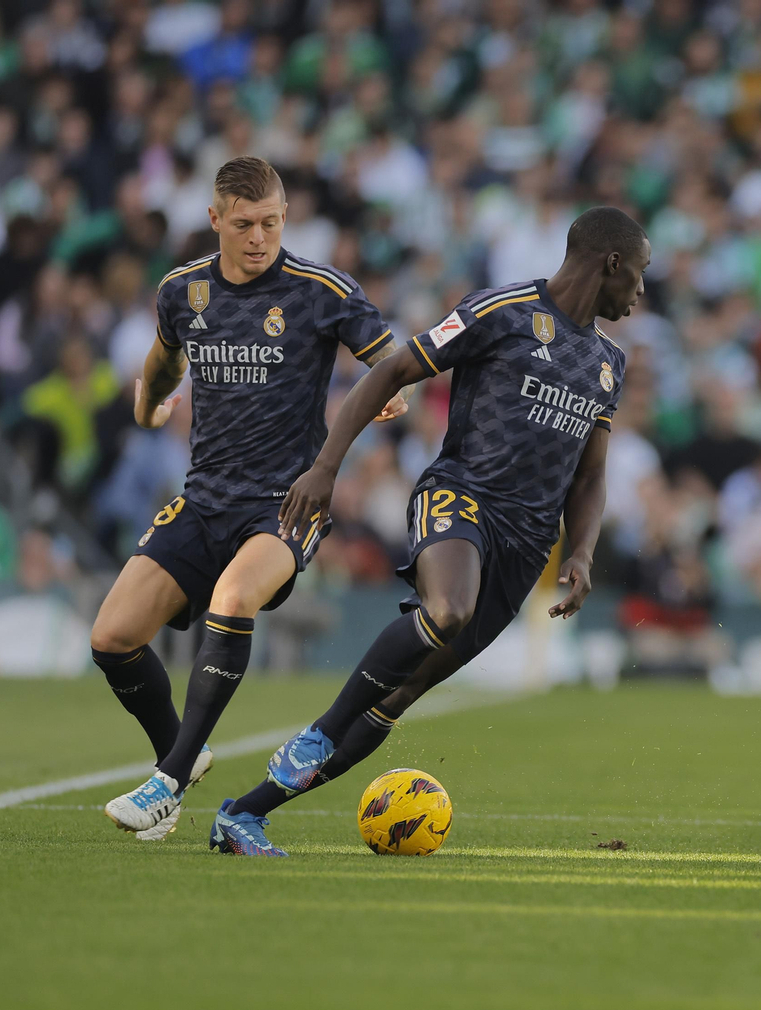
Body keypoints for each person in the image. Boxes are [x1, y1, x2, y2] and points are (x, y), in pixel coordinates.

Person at [209, 206, 646, 856]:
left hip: (526, 548)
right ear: (611, 262)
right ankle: (320, 733)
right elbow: (391, 371)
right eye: (638, 276)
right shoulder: (502, 309)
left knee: (402, 693)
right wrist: (326, 466)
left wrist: (579, 551)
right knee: (447, 608)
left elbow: (590, 477)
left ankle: (245, 813)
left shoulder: (608, 362)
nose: (640, 294)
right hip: (461, 496)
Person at [99, 156, 406, 839]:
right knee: (112, 639)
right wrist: (150, 404)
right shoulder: (183, 291)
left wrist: (389, 392)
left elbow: (393, 363)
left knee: (233, 600)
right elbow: (162, 357)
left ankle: (167, 784)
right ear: (215, 221)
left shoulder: (320, 289)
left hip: (285, 504)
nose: (260, 237)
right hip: (204, 499)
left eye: (271, 222)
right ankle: (183, 752)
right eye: (244, 224)